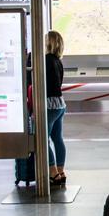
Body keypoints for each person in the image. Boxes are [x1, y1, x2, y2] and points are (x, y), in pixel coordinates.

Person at [44, 31, 68, 185]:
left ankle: (53, 173)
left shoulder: (45, 60)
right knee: (57, 138)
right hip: (60, 103)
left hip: (48, 104)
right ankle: (60, 171)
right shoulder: (58, 61)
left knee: (42, 140)